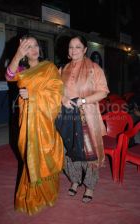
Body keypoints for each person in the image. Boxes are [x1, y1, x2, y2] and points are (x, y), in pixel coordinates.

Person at [6, 34, 64, 215]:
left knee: (45, 153)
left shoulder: (49, 67)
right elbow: (8, 76)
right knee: (28, 154)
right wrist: (17, 54)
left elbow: (56, 94)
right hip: (27, 120)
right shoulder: (21, 69)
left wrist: (33, 96)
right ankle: (33, 193)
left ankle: (47, 192)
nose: (34, 49)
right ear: (23, 51)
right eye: (28, 47)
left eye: (35, 45)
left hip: (43, 121)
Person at [58, 35, 109, 203]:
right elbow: (55, 90)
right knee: (70, 150)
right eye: (71, 47)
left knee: (90, 153)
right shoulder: (62, 69)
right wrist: (63, 99)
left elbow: (103, 91)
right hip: (67, 117)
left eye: (78, 47)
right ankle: (74, 180)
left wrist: (83, 100)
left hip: (87, 115)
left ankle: (89, 186)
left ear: (85, 49)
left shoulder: (94, 68)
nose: (74, 50)